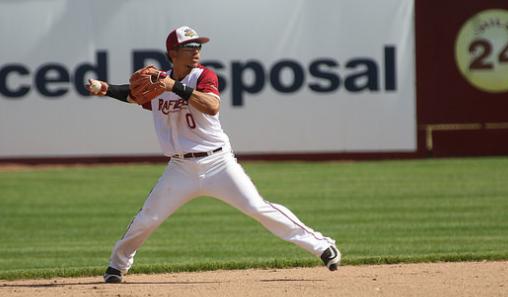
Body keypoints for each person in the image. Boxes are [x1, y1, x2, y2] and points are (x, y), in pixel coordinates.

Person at [86, 26, 340, 283]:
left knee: (258, 207)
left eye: (198, 46)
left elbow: (212, 105)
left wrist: (173, 86)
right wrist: (105, 88)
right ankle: (117, 266)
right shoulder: (159, 83)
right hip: (180, 168)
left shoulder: (203, 76)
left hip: (218, 163)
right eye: (190, 47)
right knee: (148, 218)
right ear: (172, 53)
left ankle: (322, 246)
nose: (196, 51)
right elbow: (134, 96)